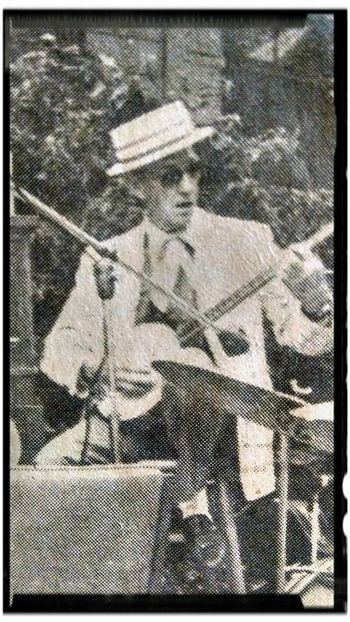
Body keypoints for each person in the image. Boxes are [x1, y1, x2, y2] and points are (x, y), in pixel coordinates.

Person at [36, 100, 333, 588]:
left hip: (228, 442)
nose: (188, 187)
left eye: (192, 170)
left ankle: (197, 525)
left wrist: (319, 302)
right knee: (41, 481)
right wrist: (97, 373)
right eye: (168, 176)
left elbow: (305, 337)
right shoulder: (109, 258)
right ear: (135, 185)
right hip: (126, 430)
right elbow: (59, 348)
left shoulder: (248, 242)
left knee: (194, 374)